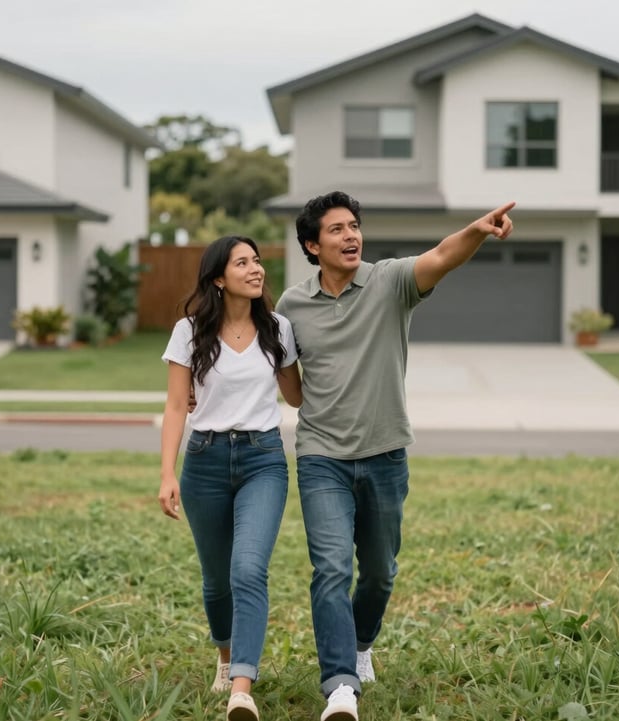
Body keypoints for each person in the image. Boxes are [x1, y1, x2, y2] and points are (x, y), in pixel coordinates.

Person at [275, 191, 514, 721]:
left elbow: (441, 256)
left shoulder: (389, 281)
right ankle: (340, 685)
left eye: (354, 226)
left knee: (379, 572)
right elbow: (288, 388)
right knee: (331, 568)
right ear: (313, 245)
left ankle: (362, 643)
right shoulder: (290, 306)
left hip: (385, 454)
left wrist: (476, 230)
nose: (350, 235)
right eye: (336, 229)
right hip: (321, 457)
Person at [158, 235, 302, 721]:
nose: (256, 269)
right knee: (217, 581)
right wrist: (167, 473)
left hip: (264, 459)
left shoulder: (278, 327)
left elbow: (297, 397)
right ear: (220, 278)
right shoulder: (189, 330)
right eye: (243, 263)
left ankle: (242, 686)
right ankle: (224, 656)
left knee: (248, 570)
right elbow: (178, 405)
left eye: (258, 261)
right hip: (205, 461)